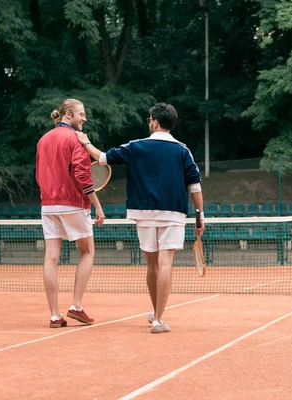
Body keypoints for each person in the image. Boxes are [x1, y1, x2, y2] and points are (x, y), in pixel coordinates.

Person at [76, 102, 205, 334]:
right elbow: (195, 187)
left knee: (152, 264)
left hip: (143, 214)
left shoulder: (136, 146)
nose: (149, 122)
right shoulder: (183, 151)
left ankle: (156, 313)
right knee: (166, 263)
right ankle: (158, 318)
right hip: (173, 213)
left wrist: (85, 141)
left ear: (155, 121)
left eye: (149, 119)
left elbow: (102, 157)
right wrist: (199, 217)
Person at [36, 99, 105, 328]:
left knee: (50, 257)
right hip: (73, 204)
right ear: (68, 115)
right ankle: (76, 305)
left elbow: (39, 174)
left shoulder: (43, 139)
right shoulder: (76, 139)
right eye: (81, 114)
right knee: (88, 252)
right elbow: (83, 176)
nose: (84, 118)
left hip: (48, 204)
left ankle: (55, 315)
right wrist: (97, 205)